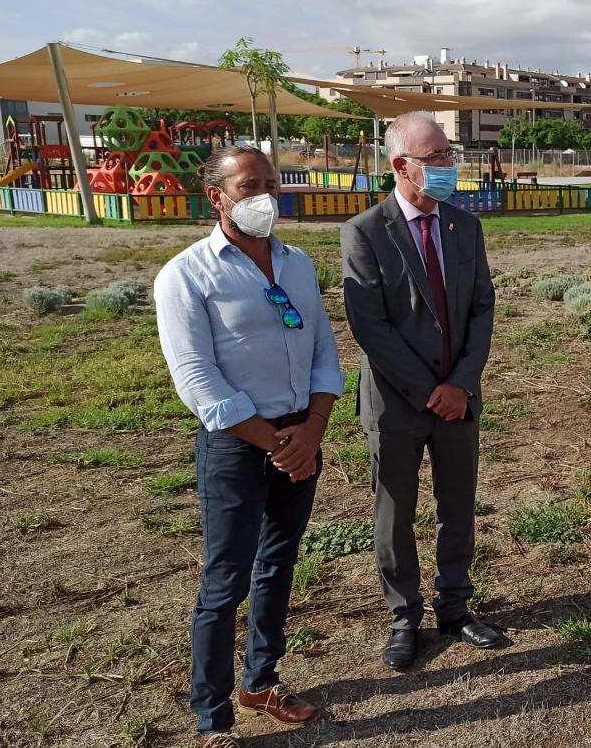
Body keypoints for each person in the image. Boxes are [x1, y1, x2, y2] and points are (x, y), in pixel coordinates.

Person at [154, 146, 344, 748]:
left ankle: (261, 680)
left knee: (278, 565)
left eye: (272, 182)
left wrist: (311, 431)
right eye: (250, 185)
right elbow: (197, 379)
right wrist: (274, 442)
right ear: (217, 196)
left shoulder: (297, 264)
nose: (265, 194)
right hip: (236, 445)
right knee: (224, 582)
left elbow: (323, 351)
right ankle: (213, 720)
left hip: (300, 436)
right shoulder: (186, 274)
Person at [341, 112, 502, 673]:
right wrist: (430, 389)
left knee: (457, 507)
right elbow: (370, 327)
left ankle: (454, 607)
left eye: (448, 156)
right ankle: (403, 617)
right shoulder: (364, 233)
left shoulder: (464, 226)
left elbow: (482, 307)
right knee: (396, 514)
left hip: (458, 399)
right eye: (434, 159)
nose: (446, 168)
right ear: (400, 167)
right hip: (397, 403)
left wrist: (460, 383)